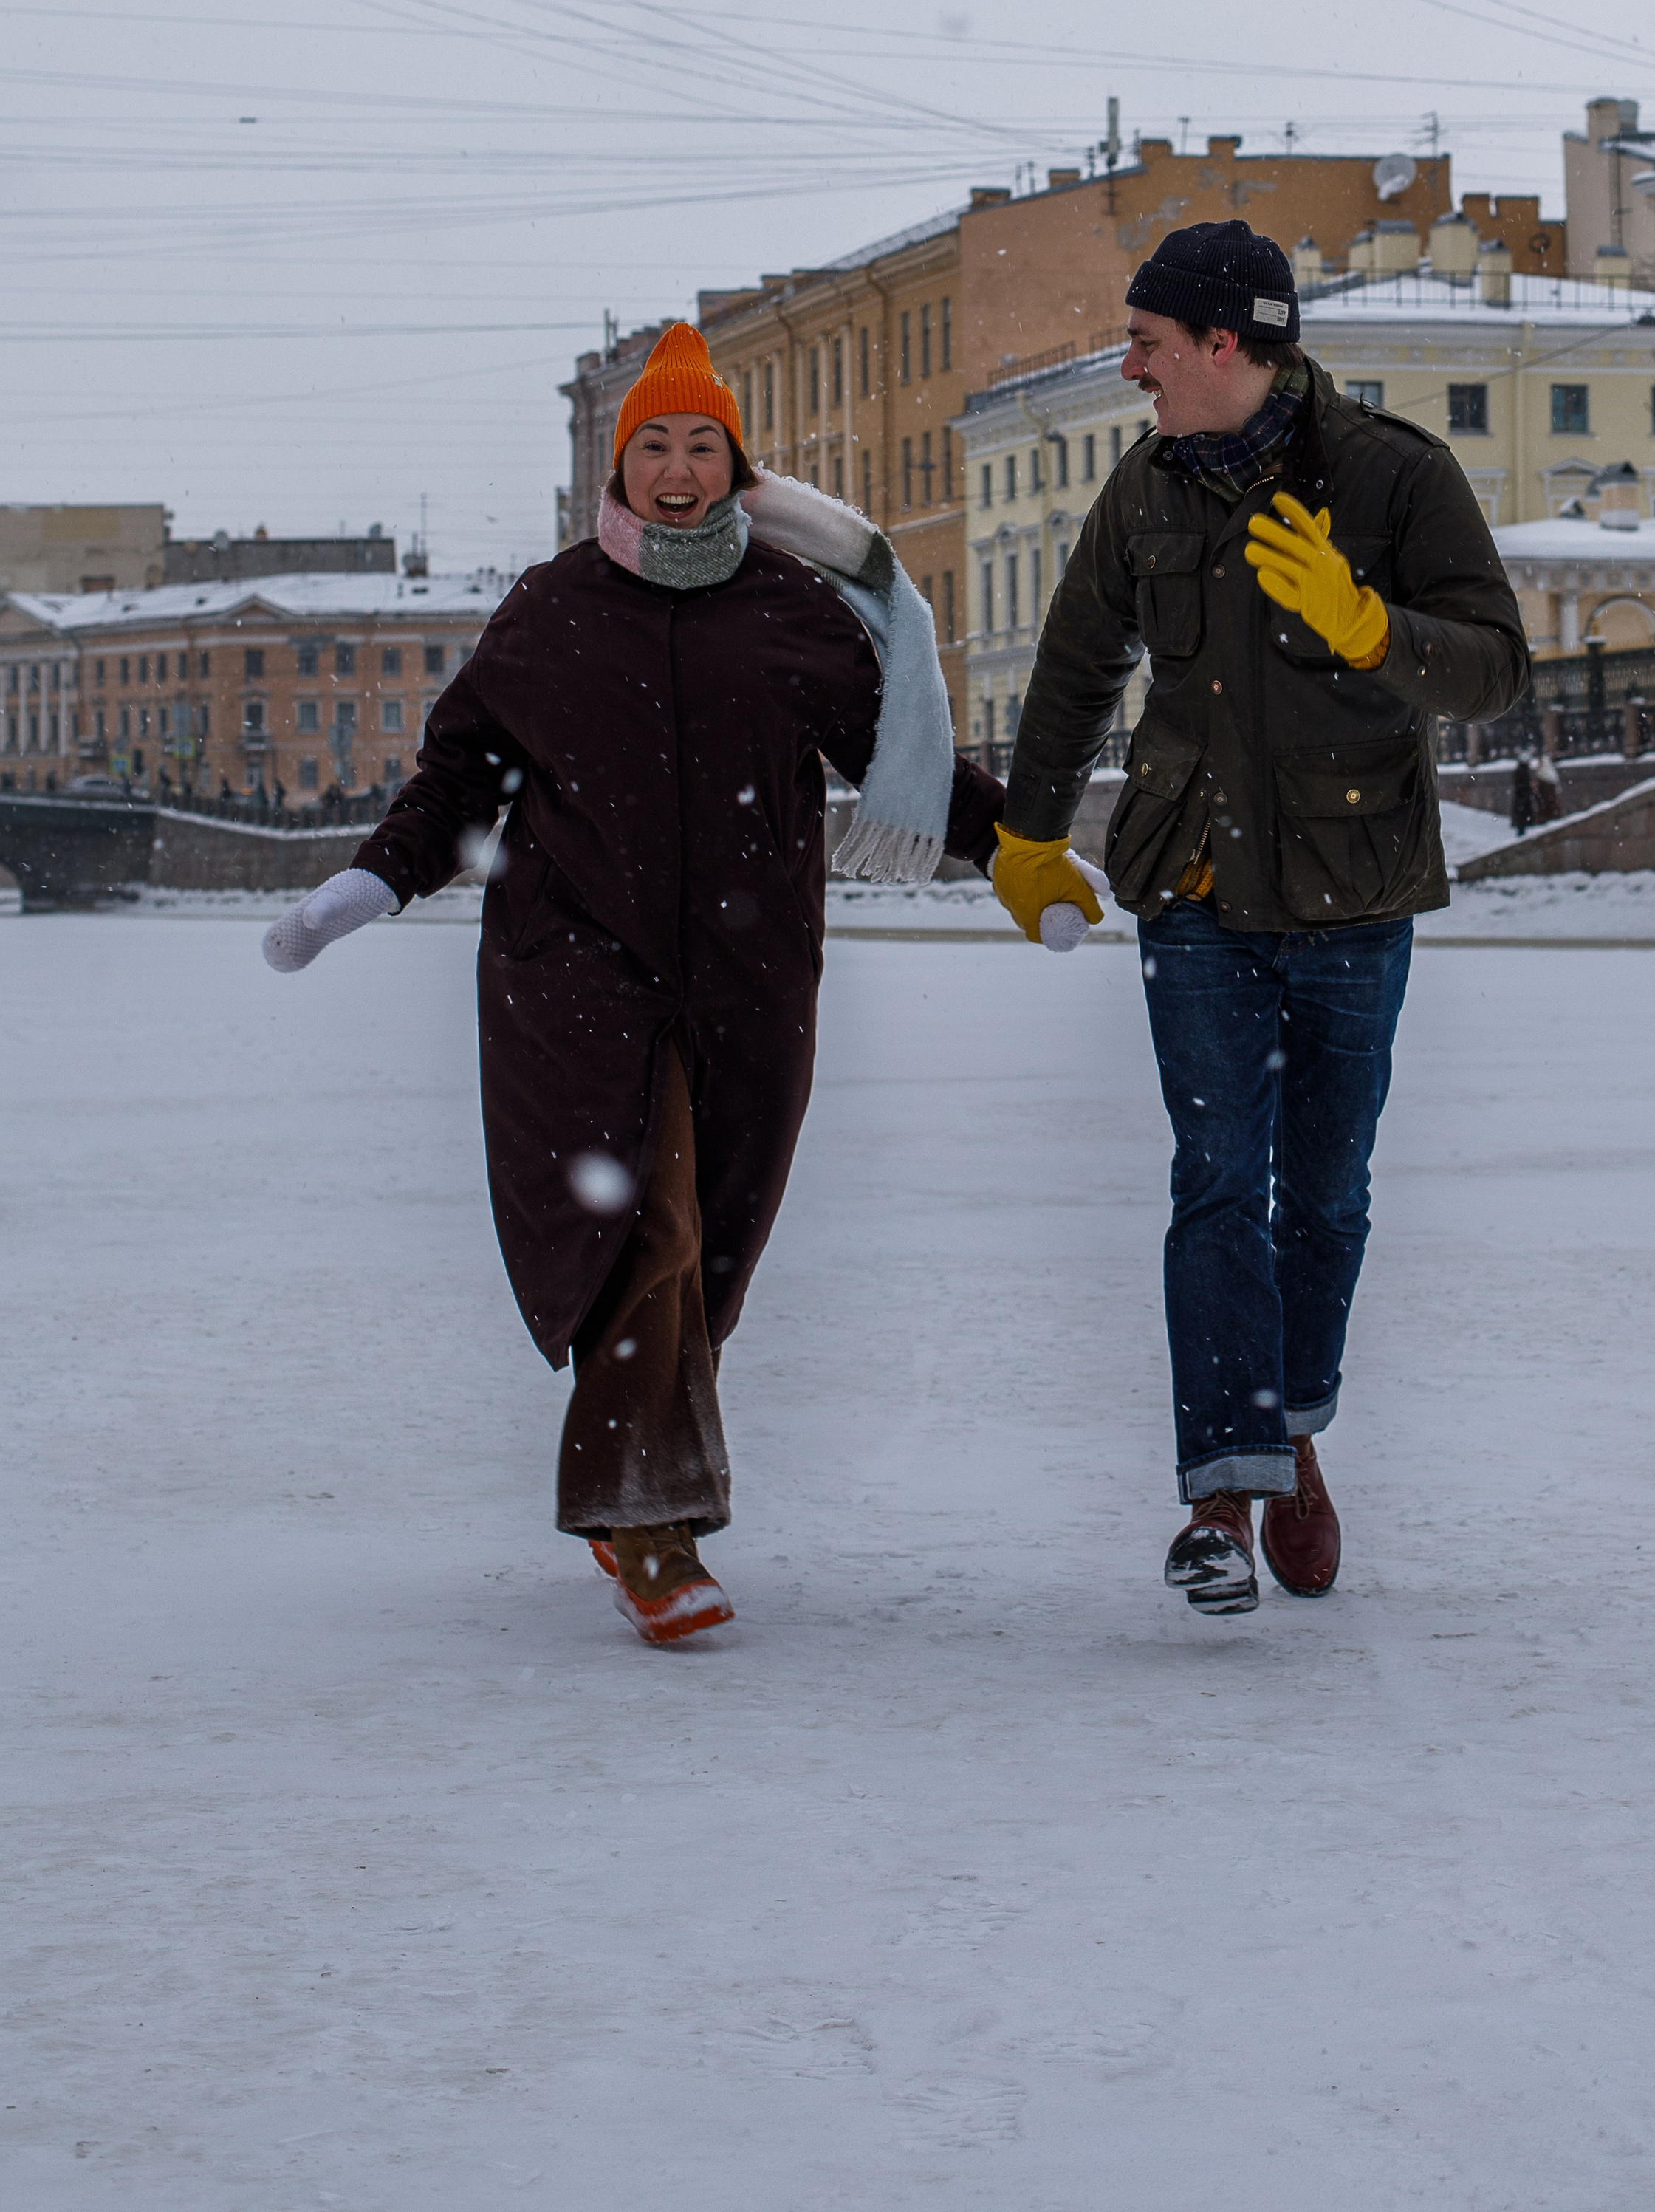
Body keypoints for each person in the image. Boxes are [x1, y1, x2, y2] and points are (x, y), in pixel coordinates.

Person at [261, 323, 1003, 1644]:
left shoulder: (790, 611)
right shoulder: (551, 610)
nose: (675, 468)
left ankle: (638, 1489)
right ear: (617, 464)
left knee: (707, 1247)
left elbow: (901, 768)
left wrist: (1021, 851)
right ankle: (650, 1520)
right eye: (651, 444)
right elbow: (463, 779)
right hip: (576, 972)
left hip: (747, 975)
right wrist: (368, 882)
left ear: (735, 462)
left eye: (699, 444)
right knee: (644, 1227)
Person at [989, 223, 1528, 1615]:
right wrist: (1032, 828)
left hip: (1355, 894)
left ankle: (1289, 1432)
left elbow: (1495, 670)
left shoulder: (1395, 475)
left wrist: (1371, 629)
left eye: (1151, 345)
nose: (1132, 369)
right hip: (1198, 896)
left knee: (1327, 1196)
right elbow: (1073, 662)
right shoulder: (1149, 488)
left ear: (1227, 344)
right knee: (1219, 1179)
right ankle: (1222, 1492)